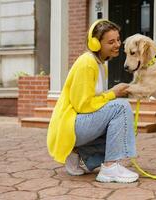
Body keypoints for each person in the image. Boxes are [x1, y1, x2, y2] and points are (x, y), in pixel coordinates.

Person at [47, 19, 139, 183]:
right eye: (111, 41)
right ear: (96, 43)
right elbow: (83, 105)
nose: (117, 44)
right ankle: (110, 168)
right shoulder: (87, 62)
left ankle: (75, 152)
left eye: (118, 39)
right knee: (121, 108)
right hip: (69, 125)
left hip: (76, 125)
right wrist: (113, 93)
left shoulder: (100, 64)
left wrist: (115, 93)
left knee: (120, 124)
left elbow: (96, 103)